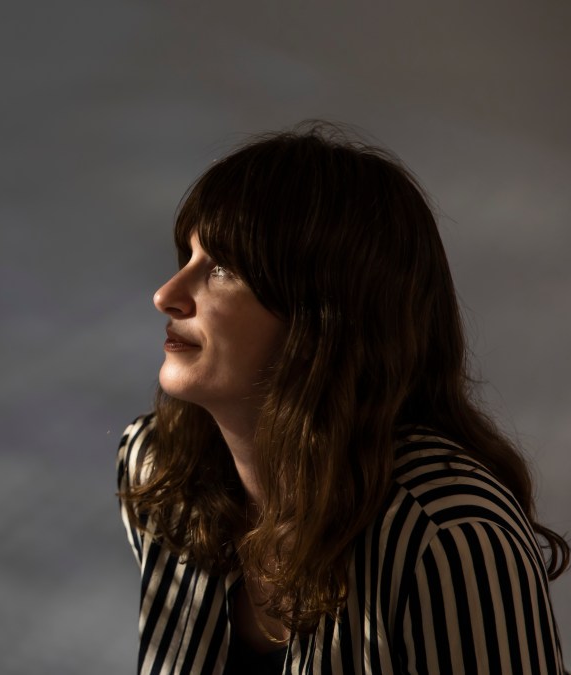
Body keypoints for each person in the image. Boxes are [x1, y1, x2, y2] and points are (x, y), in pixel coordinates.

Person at [117, 122, 567, 675]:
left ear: (323, 317)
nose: (166, 294)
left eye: (223, 269)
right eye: (186, 255)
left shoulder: (450, 534)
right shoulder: (157, 470)